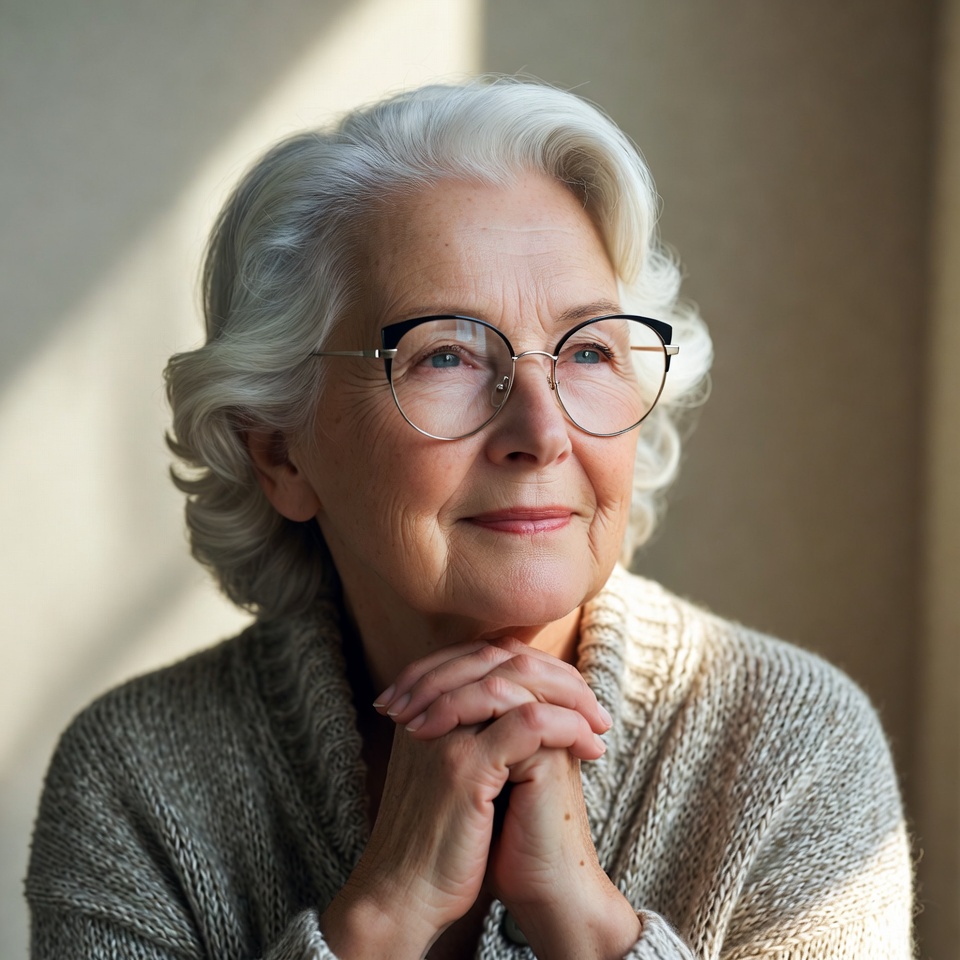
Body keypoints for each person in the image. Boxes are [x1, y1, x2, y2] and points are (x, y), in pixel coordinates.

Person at [26, 78, 912, 959]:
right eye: (445, 354)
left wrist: (591, 929)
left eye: (591, 350)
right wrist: (385, 915)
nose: (542, 432)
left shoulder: (792, 742)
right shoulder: (137, 775)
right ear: (279, 452)